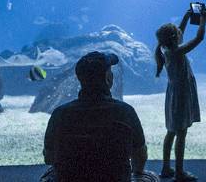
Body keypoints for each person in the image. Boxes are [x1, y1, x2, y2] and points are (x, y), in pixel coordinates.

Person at [43, 51, 158, 182]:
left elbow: (49, 158)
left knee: (49, 174)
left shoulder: (60, 114)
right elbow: (140, 155)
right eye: (110, 71)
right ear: (108, 78)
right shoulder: (125, 112)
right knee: (150, 177)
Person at [154, 5, 206, 182]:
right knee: (182, 133)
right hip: (181, 96)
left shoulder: (166, 49)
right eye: (178, 33)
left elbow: (177, 35)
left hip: (173, 95)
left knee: (171, 131)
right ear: (175, 38)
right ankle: (179, 173)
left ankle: (165, 168)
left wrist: (185, 19)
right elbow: (199, 38)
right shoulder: (177, 51)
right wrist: (203, 20)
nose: (180, 34)